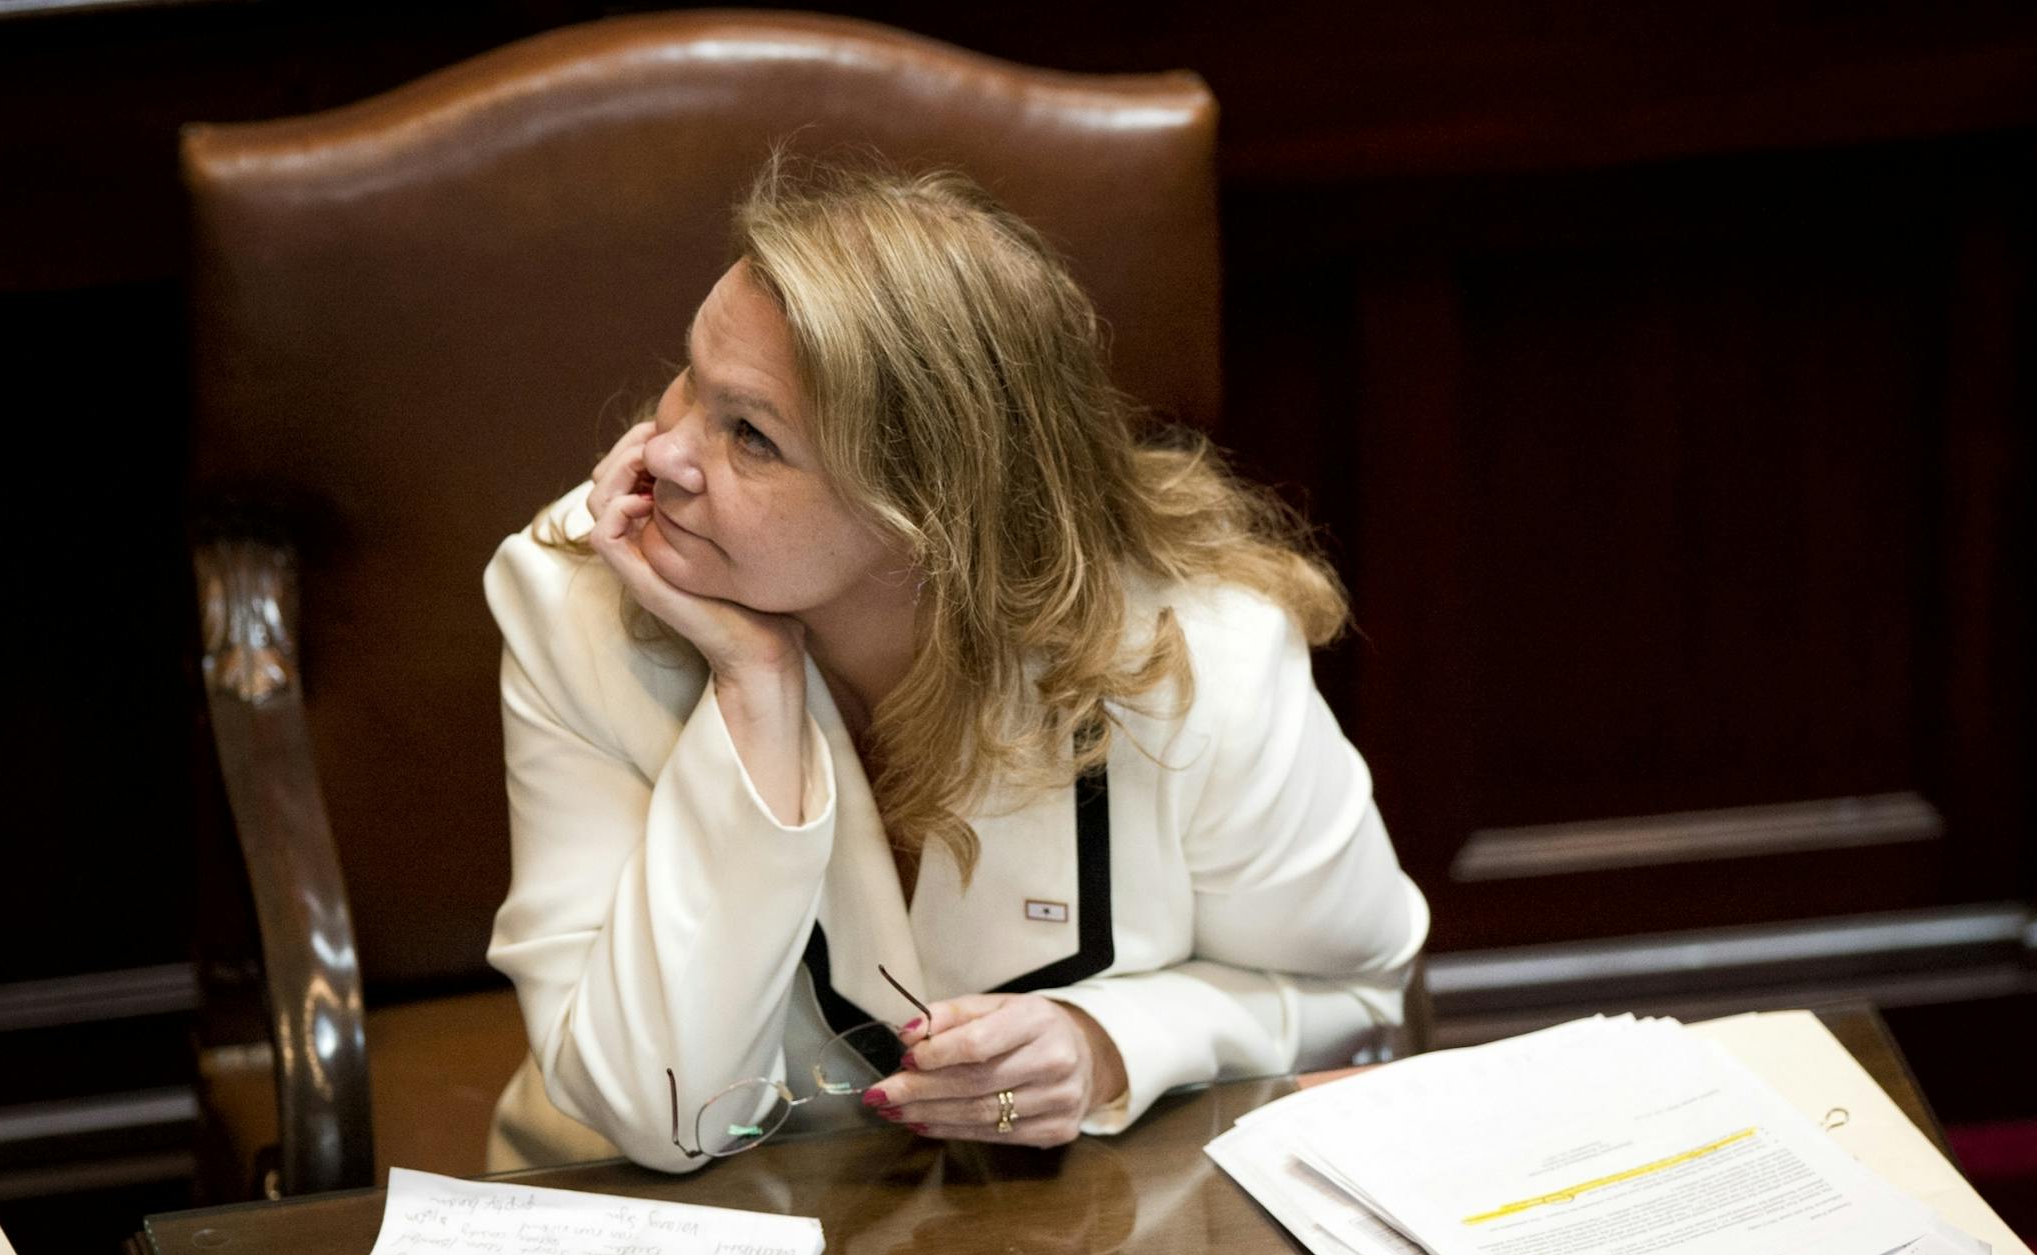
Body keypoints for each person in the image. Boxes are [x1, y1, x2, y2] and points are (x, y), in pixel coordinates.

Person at [481, 157, 1427, 1173]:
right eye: (689, 382)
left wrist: (1106, 1043)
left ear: (930, 514)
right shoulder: (572, 593)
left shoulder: (1201, 650)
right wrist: (754, 689)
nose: (663, 451)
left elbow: (1358, 996)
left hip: (1059, 1247)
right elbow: (657, 1116)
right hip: (661, 1240)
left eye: (749, 433)